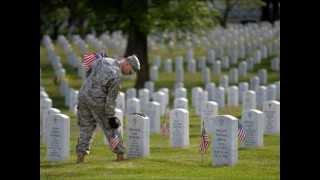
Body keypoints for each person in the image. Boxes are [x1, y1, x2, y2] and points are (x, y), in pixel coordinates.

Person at [76, 52, 140, 163]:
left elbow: (89, 70)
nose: (128, 74)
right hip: (97, 100)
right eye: (130, 72)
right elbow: (110, 100)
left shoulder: (104, 60)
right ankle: (120, 154)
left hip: (83, 95)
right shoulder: (116, 75)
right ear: (127, 64)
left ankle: (80, 156)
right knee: (111, 128)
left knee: (86, 127)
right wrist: (111, 117)